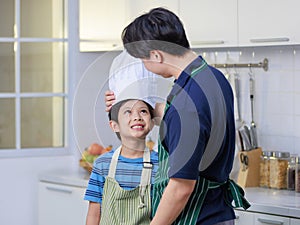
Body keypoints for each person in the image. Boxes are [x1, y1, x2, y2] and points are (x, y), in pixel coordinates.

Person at [105, 7, 250, 225]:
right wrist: (145, 109)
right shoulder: (212, 78)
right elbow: (195, 121)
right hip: (218, 213)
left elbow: (181, 187)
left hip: (196, 218)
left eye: (143, 60)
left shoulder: (186, 104)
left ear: (156, 55)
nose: (145, 67)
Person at [84, 98, 158, 225]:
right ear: (115, 126)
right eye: (128, 112)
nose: (137, 117)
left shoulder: (159, 163)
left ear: (151, 124)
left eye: (143, 111)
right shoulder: (102, 164)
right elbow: (94, 213)